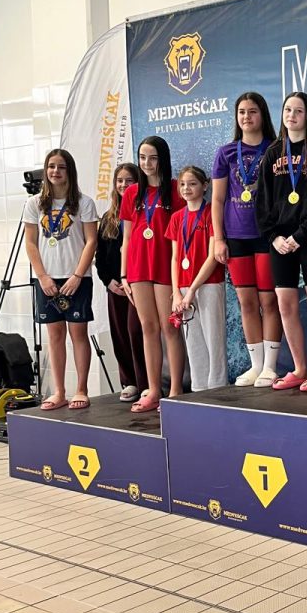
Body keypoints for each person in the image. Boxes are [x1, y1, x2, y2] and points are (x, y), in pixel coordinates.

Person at [256, 92, 307, 392]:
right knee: (285, 304)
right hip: (280, 242)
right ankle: (300, 367)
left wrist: (299, 236)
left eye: (298, 111)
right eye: (288, 110)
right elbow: (262, 202)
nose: (291, 115)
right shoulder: (273, 153)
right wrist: (274, 237)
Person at [211, 91, 282, 387]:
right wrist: (219, 239)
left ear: (262, 115)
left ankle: (271, 367)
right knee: (247, 302)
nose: (246, 117)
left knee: (269, 300)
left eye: (252, 111)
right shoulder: (226, 152)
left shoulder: (276, 149)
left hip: (267, 235)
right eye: (241, 112)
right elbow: (217, 199)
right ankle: (256, 366)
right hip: (236, 237)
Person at [22, 148, 98, 410]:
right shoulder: (34, 204)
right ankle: (59, 391)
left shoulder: (84, 202)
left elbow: (91, 241)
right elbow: (31, 243)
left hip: (76, 277)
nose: (55, 171)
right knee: (54, 336)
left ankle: (81, 389)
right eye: (51, 166)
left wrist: (77, 275)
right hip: (47, 279)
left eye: (61, 167)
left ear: (70, 171)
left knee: (78, 334)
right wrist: (42, 277)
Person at [119, 135, 184, 412]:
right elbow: (126, 238)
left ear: (163, 159)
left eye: (153, 158)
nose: (147, 163)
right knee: (148, 327)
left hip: (164, 267)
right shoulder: (132, 193)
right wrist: (123, 275)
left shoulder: (176, 191)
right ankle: (154, 389)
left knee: (169, 327)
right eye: (142, 157)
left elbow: (181, 236)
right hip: (138, 268)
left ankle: (176, 390)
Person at [167, 165, 227, 392]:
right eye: (183, 184)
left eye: (192, 184)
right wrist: (176, 292)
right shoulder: (176, 218)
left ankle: (217, 387)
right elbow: (175, 258)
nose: (186, 188)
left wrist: (192, 289)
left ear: (205, 186)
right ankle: (200, 388)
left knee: (214, 338)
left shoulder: (211, 213)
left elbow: (213, 257)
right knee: (193, 341)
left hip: (208, 284)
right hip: (183, 288)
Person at [95, 162, 147, 402]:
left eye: (129, 180)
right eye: (120, 180)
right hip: (116, 287)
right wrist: (109, 281)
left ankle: (147, 382)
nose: (124, 185)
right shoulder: (109, 218)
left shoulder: (143, 212)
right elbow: (100, 257)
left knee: (137, 332)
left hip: (139, 285)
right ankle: (129, 381)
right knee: (120, 335)